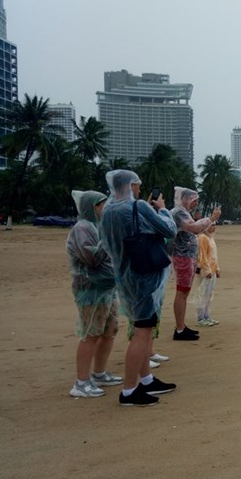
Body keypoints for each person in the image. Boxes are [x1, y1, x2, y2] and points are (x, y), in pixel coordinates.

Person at [100, 170, 178, 406]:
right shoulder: (138, 206)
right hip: (143, 275)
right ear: (132, 185)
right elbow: (170, 230)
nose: (140, 191)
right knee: (142, 332)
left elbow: (106, 244)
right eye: (138, 186)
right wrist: (163, 209)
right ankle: (129, 390)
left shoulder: (108, 211)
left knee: (139, 328)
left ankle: (146, 379)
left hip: (125, 276)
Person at [66, 190, 122, 398]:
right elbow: (92, 258)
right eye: (102, 204)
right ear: (93, 207)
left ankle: (99, 373)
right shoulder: (82, 228)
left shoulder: (98, 226)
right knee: (91, 333)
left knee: (108, 330)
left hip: (107, 288)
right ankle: (81, 382)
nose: (106, 208)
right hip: (90, 290)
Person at [170, 186, 221, 340]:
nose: (196, 204)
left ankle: (181, 326)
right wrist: (211, 219)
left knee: (184, 292)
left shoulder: (184, 213)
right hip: (183, 257)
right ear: (187, 199)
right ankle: (180, 329)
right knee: (182, 292)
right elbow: (193, 228)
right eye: (195, 201)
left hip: (187, 257)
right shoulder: (179, 212)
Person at [192, 222, 220, 327]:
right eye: (212, 225)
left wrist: (217, 268)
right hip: (205, 271)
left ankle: (207, 316)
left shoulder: (211, 238)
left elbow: (214, 256)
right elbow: (202, 256)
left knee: (209, 295)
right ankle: (200, 318)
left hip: (212, 270)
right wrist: (207, 270)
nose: (214, 227)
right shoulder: (202, 238)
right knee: (202, 294)